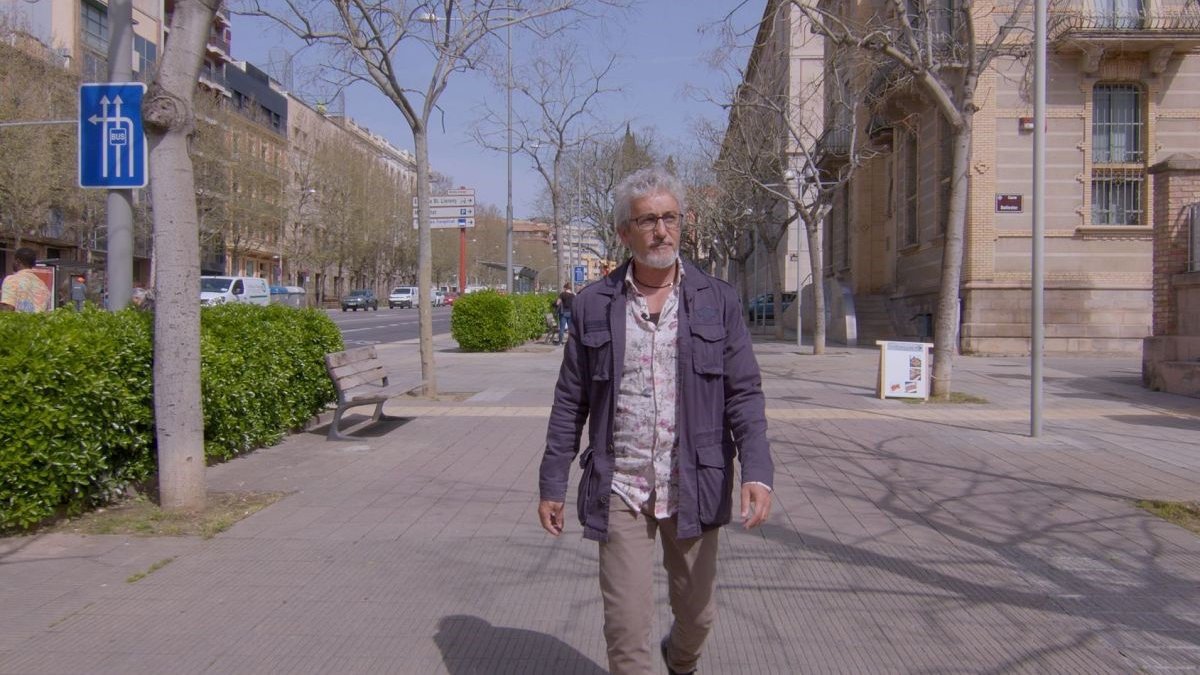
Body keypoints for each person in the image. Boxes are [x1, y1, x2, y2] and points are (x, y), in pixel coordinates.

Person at [537, 167, 773, 675]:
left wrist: (756, 471)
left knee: (698, 616)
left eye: (669, 218)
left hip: (695, 481)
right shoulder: (593, 305)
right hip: (619, 485)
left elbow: (744, 394)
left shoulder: (718, 299)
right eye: (647, 221)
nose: (661, 230)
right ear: (624, 232)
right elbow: (569, 402)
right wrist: (552, 481)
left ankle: (680, 660)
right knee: (625, 629)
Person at [0, 247, 51, 313]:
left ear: (18, 262)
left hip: (16, 322)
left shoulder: (12, 280)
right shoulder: (43, 286)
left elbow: (7, 309)